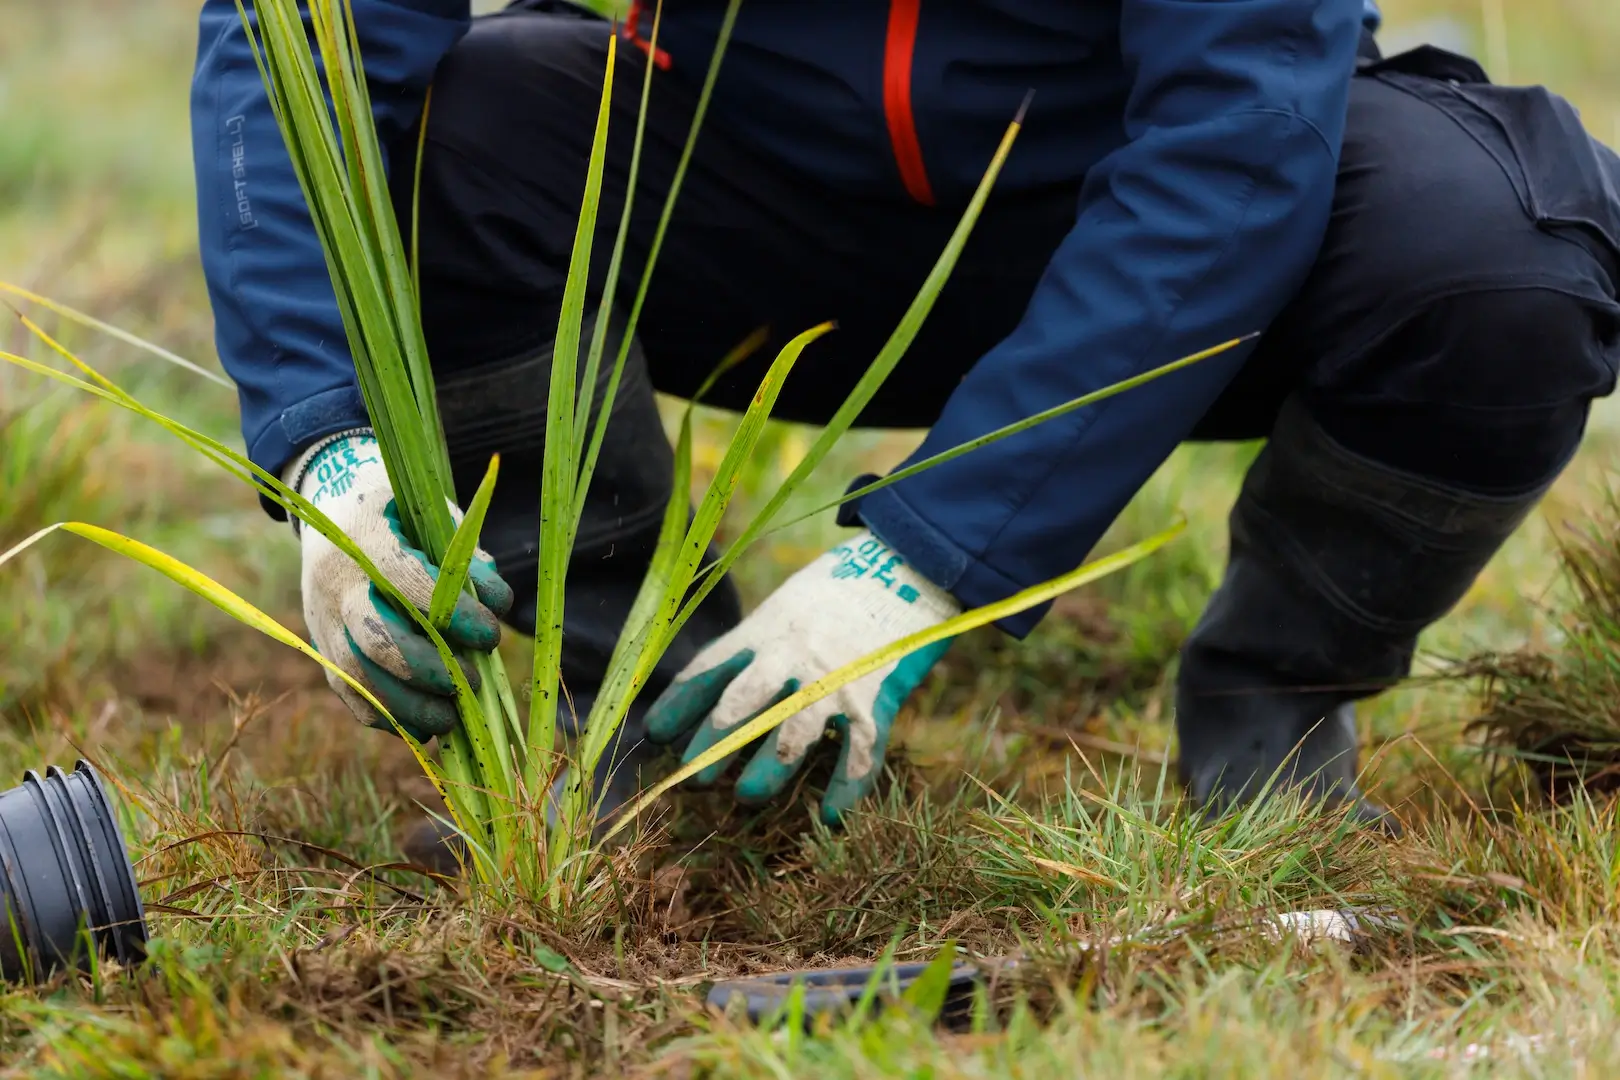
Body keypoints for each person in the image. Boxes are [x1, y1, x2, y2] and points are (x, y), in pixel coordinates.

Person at [191, 0, 1620, 855]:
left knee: (1495, 257)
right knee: (472, 123)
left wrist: (920, 567)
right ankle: (639, 719)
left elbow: (1236, 144)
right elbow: (301, 31)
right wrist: (327, 446)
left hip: (1157, 233)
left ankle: (1276, 713)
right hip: (750, 208)